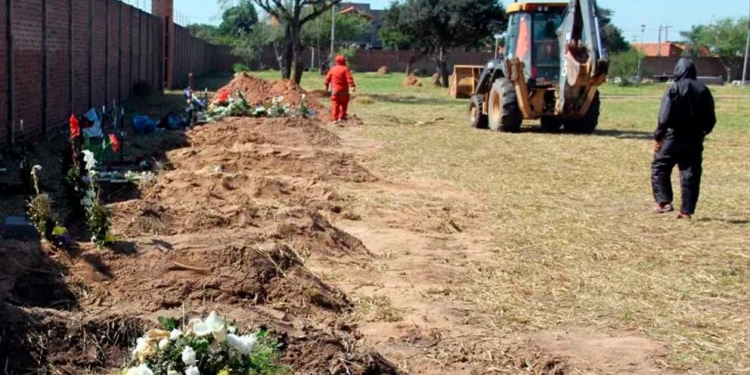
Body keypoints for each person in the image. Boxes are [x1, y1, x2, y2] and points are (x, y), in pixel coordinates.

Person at [651, 58, 716, 219]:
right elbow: (711, 119)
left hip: (672, 137)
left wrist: (658, 137)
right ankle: (686, 211)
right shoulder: (703, 90)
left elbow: (664, 117)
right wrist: (702, 133)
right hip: (694, 138)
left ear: (677, 71)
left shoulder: (673, 89)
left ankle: (664, 202)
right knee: (690, 173)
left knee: (660, 167)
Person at [325, 55, 356, 124]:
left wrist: (327, 87)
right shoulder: (345, 69)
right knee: (344, 104)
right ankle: (341, 117)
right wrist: (352, 86)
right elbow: (349, 78)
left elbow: (327, 79)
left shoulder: (333, 69)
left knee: (335, 104)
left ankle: (334, 119)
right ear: (343, 61)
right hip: (344, 91)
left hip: (335, 91)